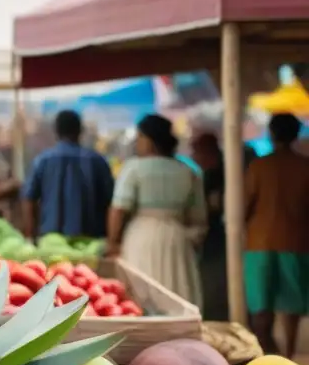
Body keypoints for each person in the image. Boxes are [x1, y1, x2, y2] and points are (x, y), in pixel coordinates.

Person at [106, 114, 207, 309]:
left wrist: (113, 242)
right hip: (176, 240)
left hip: (141, 238)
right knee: (176, 293)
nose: (137, 142)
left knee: (141, 296)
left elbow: (118, 209)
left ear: (150, 140)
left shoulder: (133, 168)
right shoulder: (188, 171)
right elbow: (198, 219)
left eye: (140, 137)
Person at [244, 113, 309, 357]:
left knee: (261, 305)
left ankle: (267, 352)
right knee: (291, 306)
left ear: (271, 133)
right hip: (297, 242)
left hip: (259, 243)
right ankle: (289, 353)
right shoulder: (305, 167)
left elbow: (244, 205)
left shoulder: (259, 166)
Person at [22, 110, 115, 240]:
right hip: (90, 241)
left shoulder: (43, 161)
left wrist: (30, 236)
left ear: (56, 131)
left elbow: (28, 199)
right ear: (80, 131)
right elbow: (112, 202)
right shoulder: (97, 161)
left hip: (51, 240)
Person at [189, 132, 228, 321]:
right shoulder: (211, 175)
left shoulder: (215, 177)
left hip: (214, 239)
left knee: (213, 285)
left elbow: (212, 207)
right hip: (213, 237)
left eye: (196, 152)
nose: (193, 157)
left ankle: (216, 320)